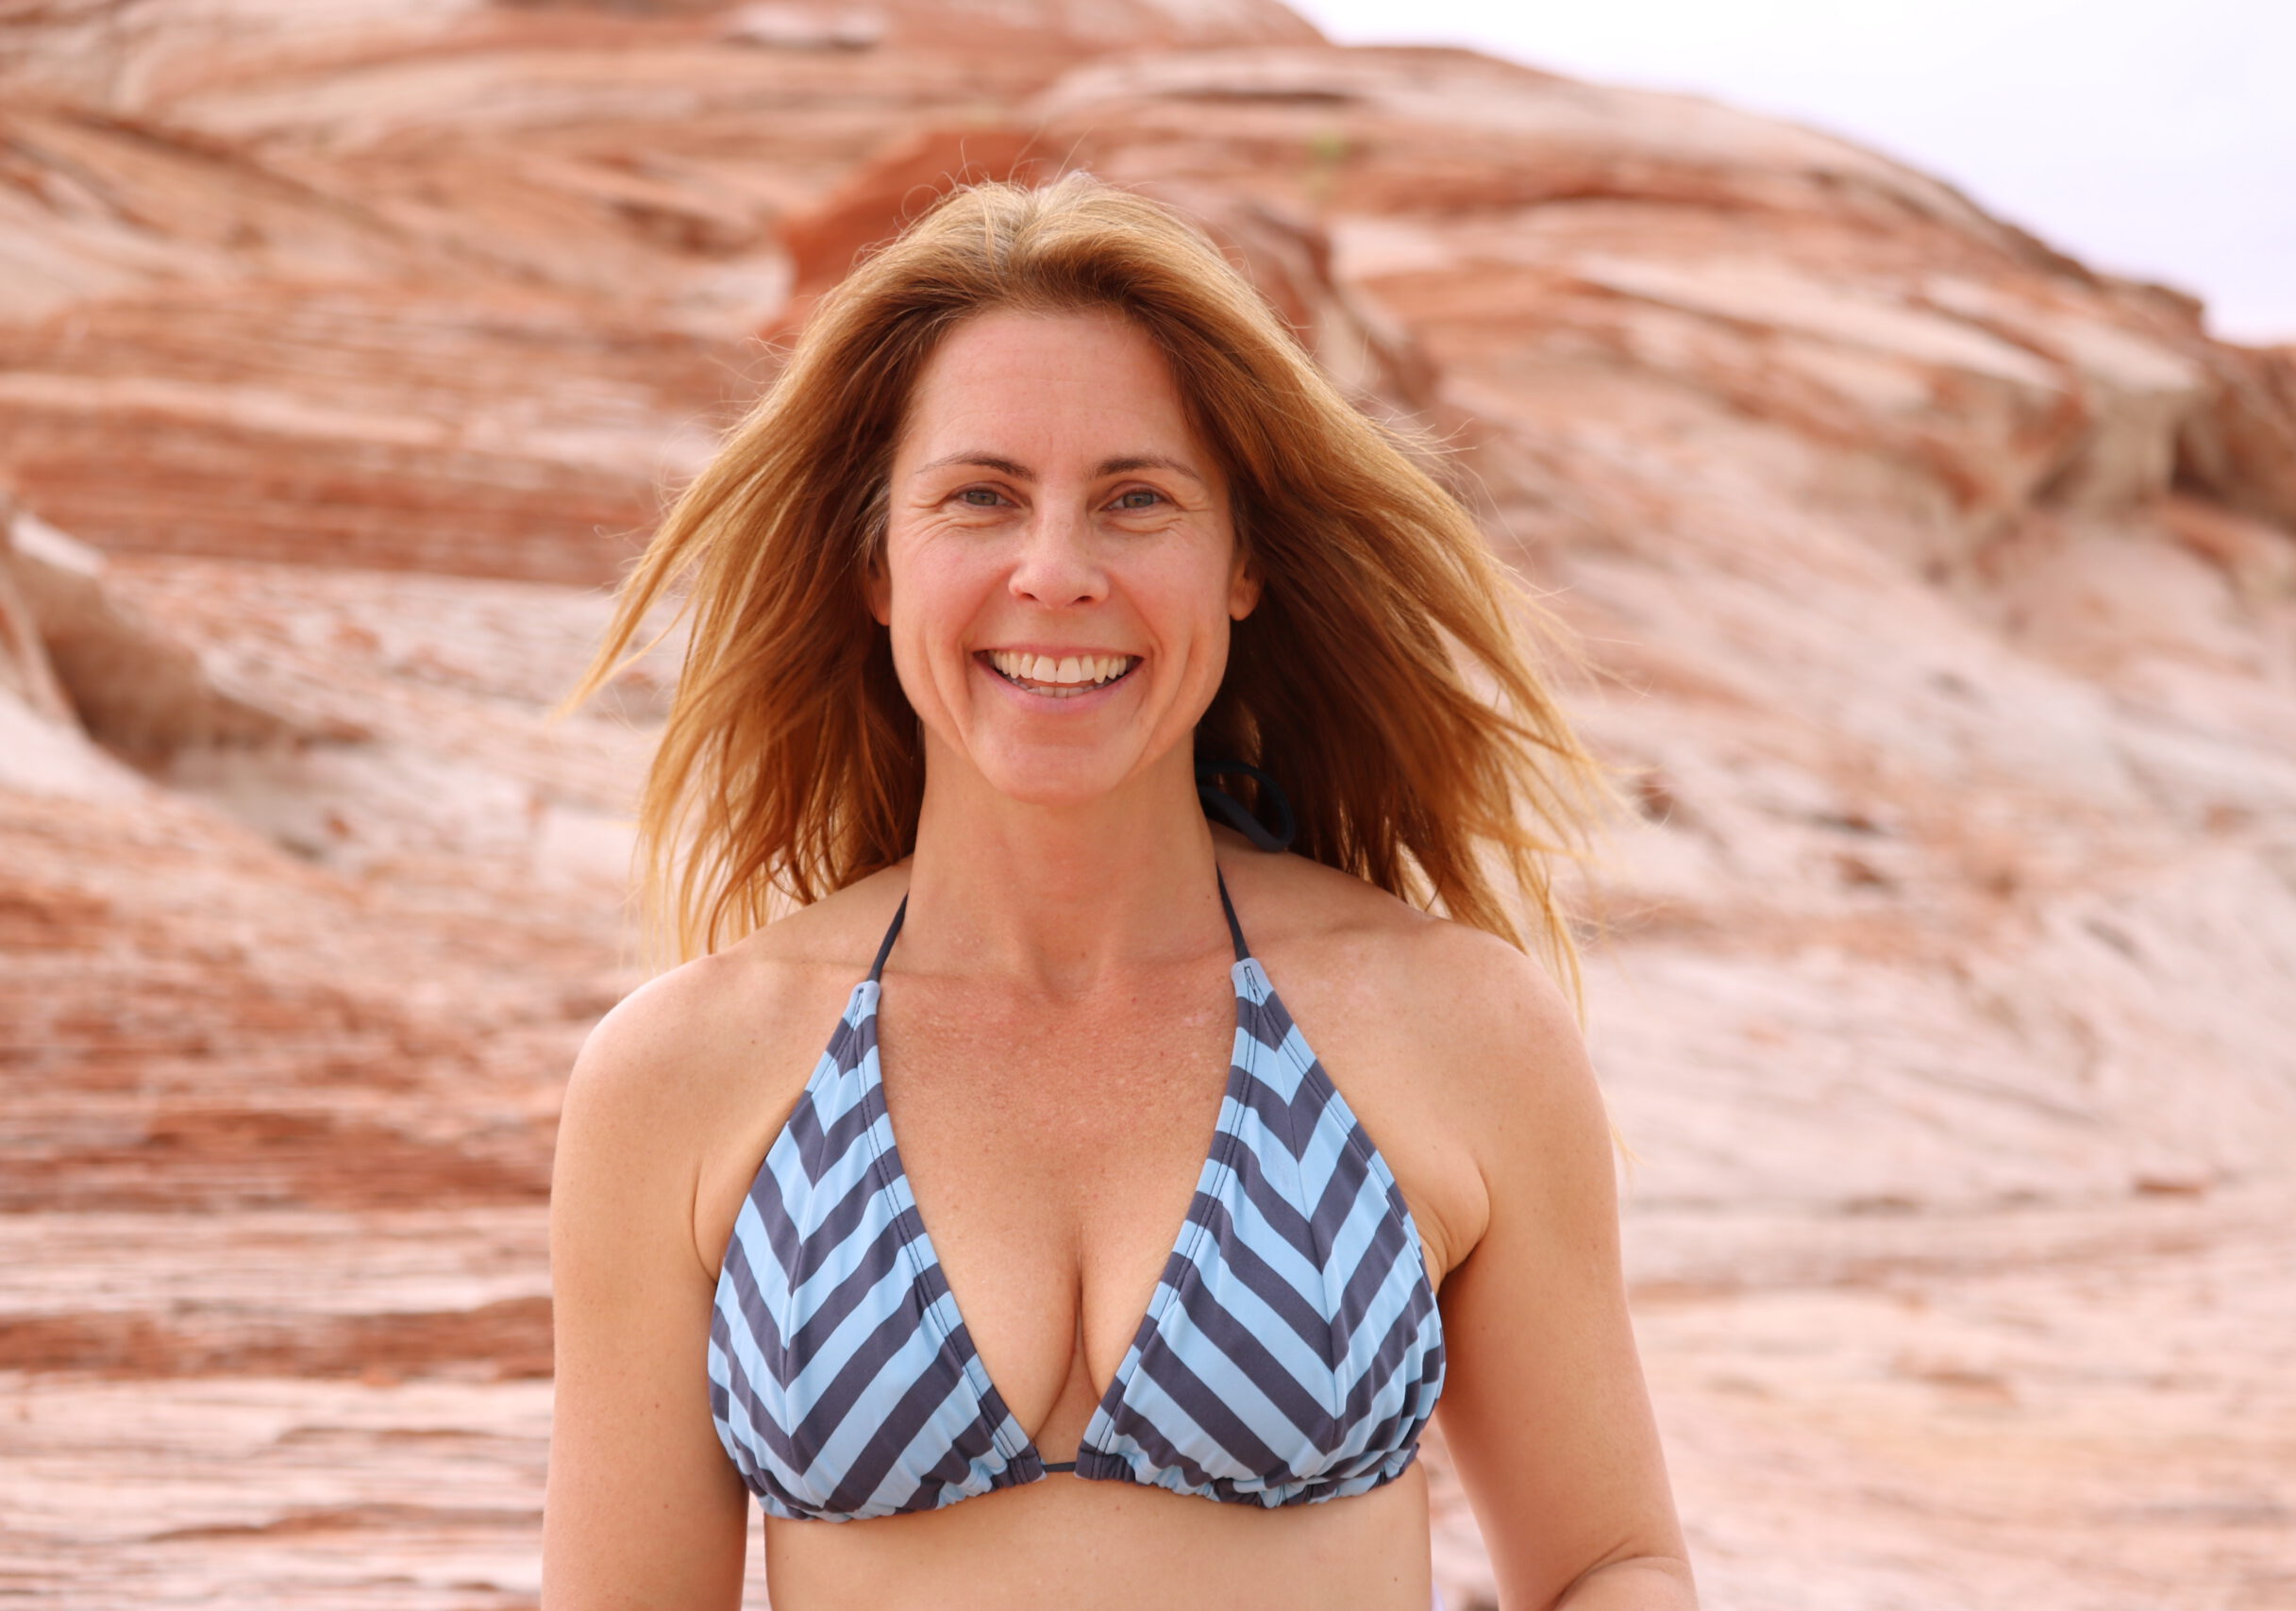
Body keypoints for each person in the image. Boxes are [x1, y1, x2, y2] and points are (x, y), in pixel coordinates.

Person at [543, 173, 1695, 1611]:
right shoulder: (685, 1075)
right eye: (980, 497)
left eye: (1136, 500)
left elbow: (1607, 1564)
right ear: (877, 564)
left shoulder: (1454, 1022)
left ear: (1243, 564)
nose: (1055, 572)